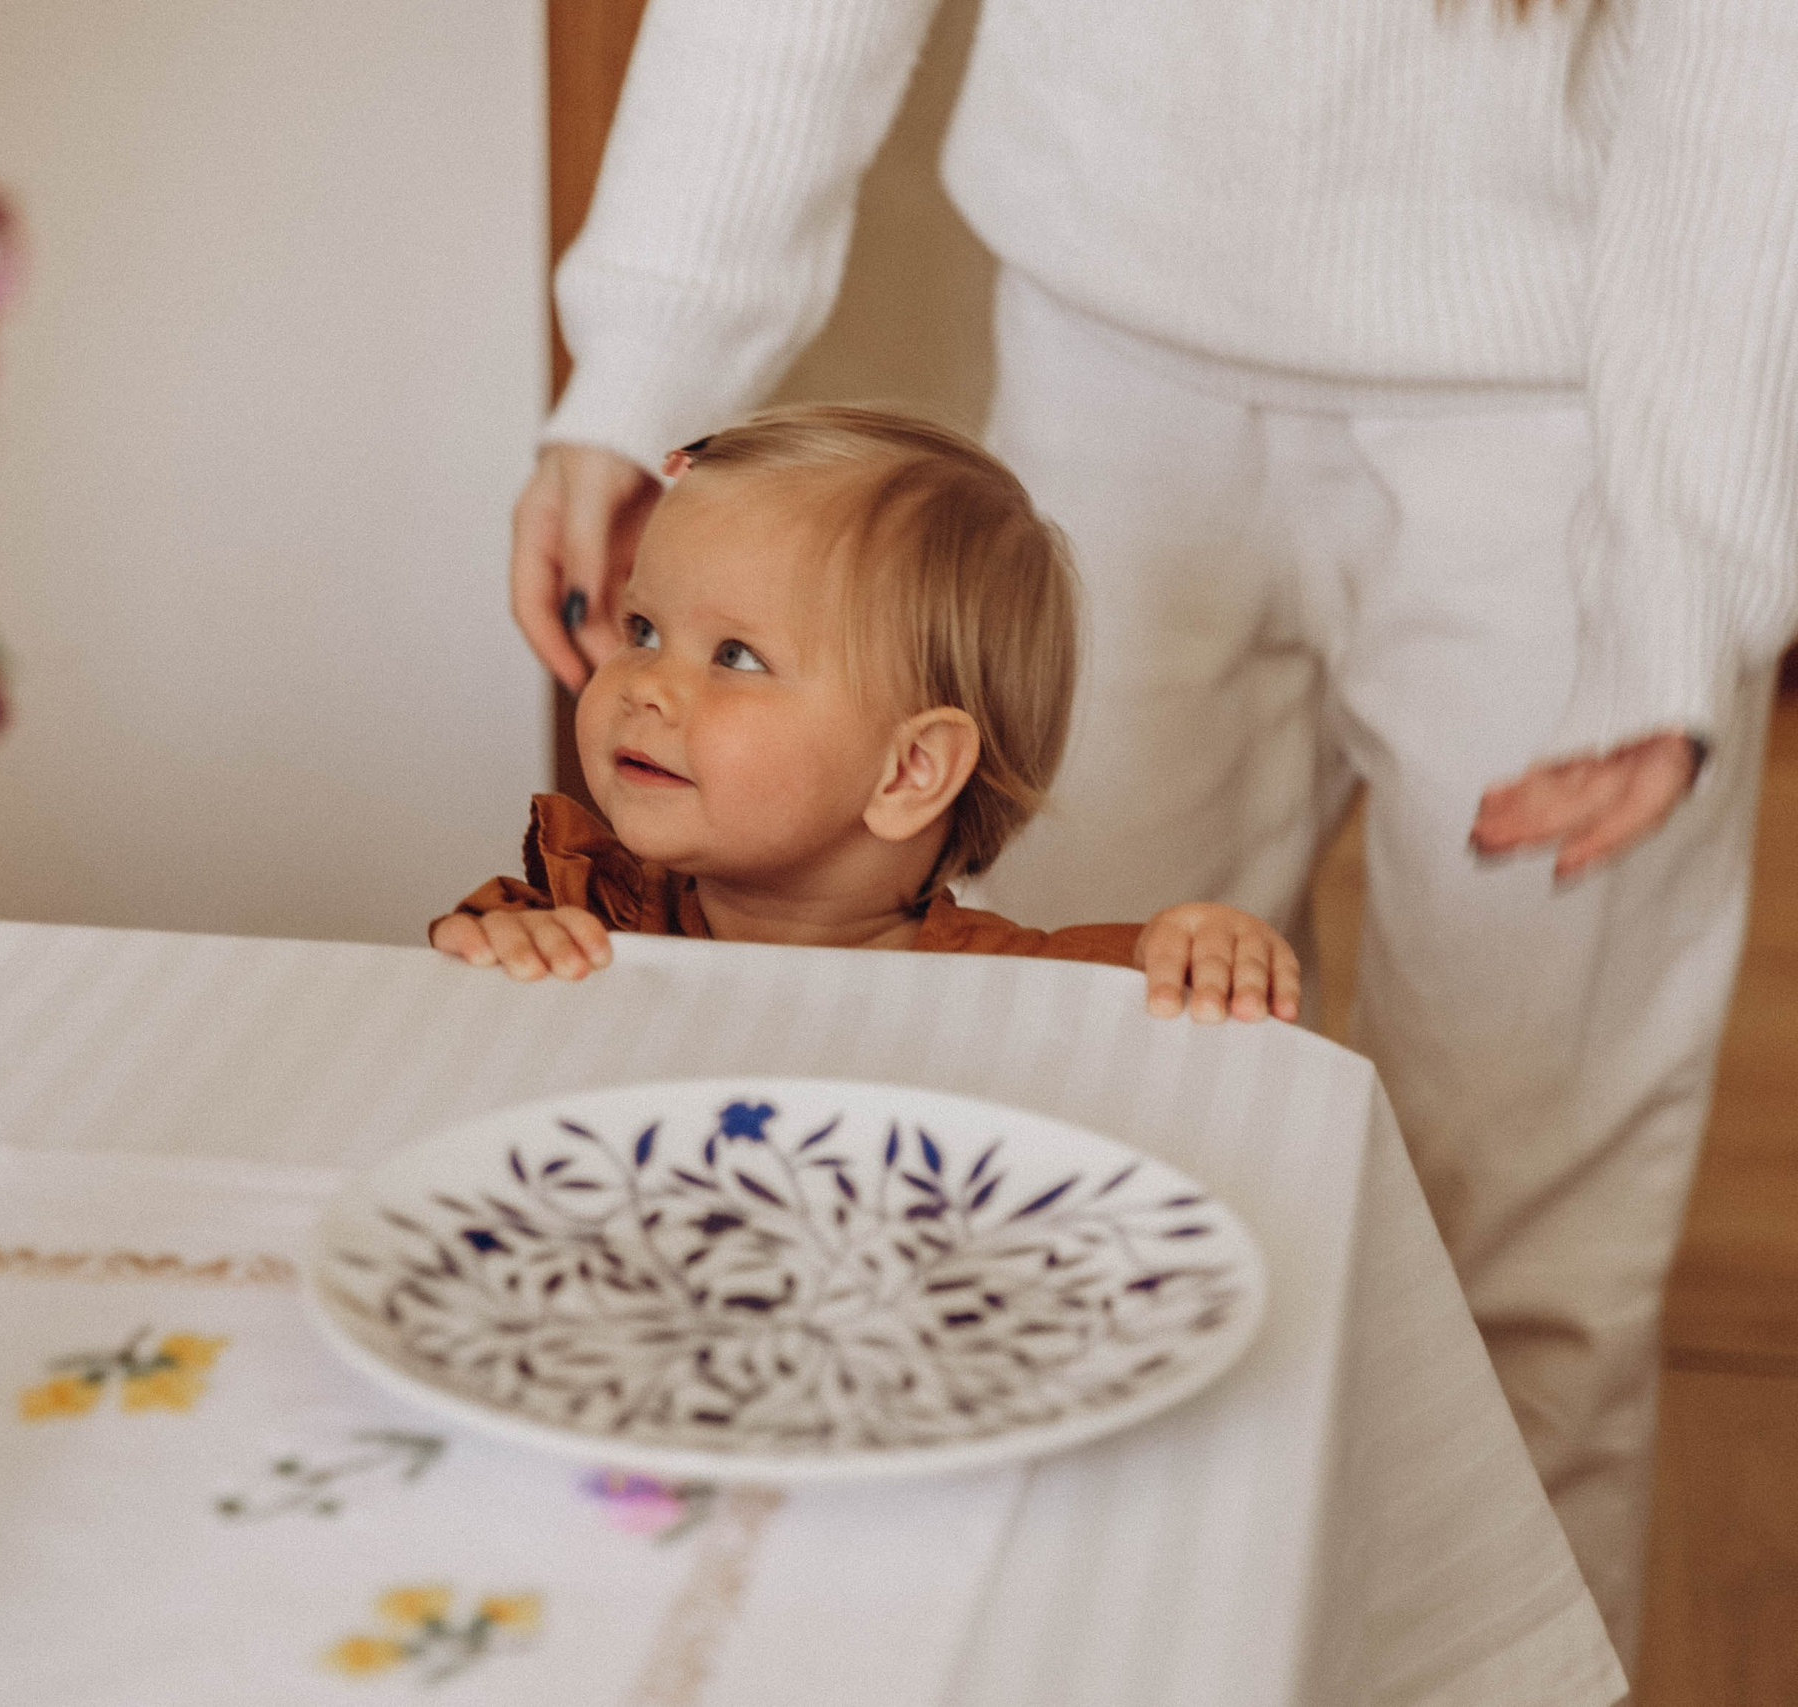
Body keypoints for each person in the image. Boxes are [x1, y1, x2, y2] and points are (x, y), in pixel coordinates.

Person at [510, 0, 1798, 1666]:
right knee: (1067, 1140)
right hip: (1104, 364)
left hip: (1572, 421)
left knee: (1521, 1251)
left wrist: (1687, 579)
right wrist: (642, 368)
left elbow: (1744, 63)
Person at [439, 406, 1303, 1026]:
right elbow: (453, 989)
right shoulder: (597, 916)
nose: (645, 684)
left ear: (909, 771)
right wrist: (510, 954)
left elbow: (1160, 1027)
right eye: (643, 628)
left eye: (736, 655)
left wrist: (1201, 949)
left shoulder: (1018, 998)